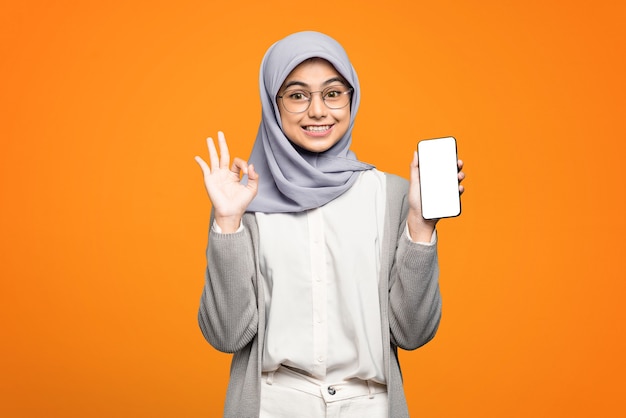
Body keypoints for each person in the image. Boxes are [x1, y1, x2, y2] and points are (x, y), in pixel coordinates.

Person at [195, 31, 465, 418]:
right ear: (274, 104)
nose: (318, 111)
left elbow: (413, 333)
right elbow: (226, 336)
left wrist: (421, 227)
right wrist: (227, 222)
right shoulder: (242, 201)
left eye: (334, 93)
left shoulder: (393, 196)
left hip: (370, 407)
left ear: (352, 100)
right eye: (298, 95)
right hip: (273, 405)